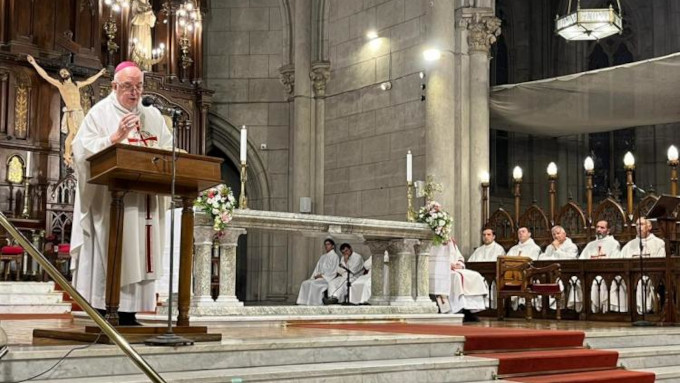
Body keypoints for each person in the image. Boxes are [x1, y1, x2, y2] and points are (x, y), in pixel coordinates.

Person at [70, 61, 173, 326]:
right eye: (128, 86)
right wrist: (113, 138)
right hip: (113, 200)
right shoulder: (99, 113)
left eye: (139, 86)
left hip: (146, 199)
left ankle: (130, 312)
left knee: (141, 252)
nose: (134, 92)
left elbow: (168, 149)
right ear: (115, 86)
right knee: (117, 249)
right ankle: (107, 309)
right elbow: (81, 151)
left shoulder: (153, 116)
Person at [26, 55, 107, 167]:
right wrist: (34, 63)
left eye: (64, 72)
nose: (63, 74)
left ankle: (75, 153)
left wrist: (99, 74)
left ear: (69, 72)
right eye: (61, 73)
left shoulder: (76, 84)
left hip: (79, 111)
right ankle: (67, 154)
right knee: (72, 133)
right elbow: (45, 76)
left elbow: (89, 81)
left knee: (80, 134)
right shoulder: (60, 85)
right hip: (71, 112)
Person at [620, 217, 665, 313]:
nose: (638, 227)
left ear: (649, 227)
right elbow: (621, 263)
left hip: (651, 275)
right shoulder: (629, 246)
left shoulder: (659, 243)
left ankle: (643, 311)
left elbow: (660, 263)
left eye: (641, 224)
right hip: (630, 276)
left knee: (641, 282)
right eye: (637, 225)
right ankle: (624, 311)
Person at [580, 220, 622, 313]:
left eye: (602, 228)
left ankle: (605, 310)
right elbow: (581, 260)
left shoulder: (614, 244)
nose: (598, 229)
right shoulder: (590, 245)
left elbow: (616, 261)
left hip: (608, 273)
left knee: (601, 281)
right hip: (590, 273)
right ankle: (589, 310)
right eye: (597, 227)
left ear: (608, 230)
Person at [447, 241, 488, 322]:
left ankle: (470, 310)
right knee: (458, 277)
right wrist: (448, 265)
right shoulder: (436, 243)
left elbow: (460, 258)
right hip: (445, 270)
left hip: (456, 269)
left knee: (476, 275)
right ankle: (459, 309)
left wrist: (459, 264)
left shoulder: (452, 243)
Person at [296, 238, 339, 305]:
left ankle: (314, 303)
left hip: (327, 279)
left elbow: (334, 270)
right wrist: (315, 276)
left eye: (328, 244)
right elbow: (317, 268)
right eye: (325, 244)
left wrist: (323, 276)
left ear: (332, 246)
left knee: (313, 284)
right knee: (305, 283)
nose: (326, 246)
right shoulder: (323, 256)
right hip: (319, 277)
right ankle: (302, 302)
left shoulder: (335, 256)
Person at [130, 0, 157, 71]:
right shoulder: (136, 2)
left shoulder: (148, 4)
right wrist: (146, 13)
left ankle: (145, 67)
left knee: (146, 48)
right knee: (138, 45)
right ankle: (136, 65)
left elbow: (152, 22)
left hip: (147, 30)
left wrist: (150, 15)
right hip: (139, 28)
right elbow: (133, 18)